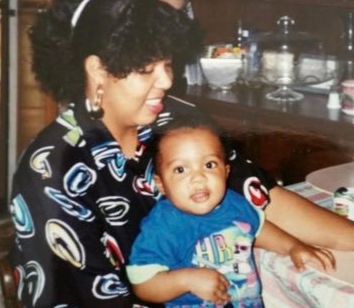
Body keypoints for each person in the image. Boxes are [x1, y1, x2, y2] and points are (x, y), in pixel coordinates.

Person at [9, 0, 354, 308]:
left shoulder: (175, 119)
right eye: (147, 70)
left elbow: (259, 197)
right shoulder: (52, 169)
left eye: (167, 64)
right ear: (97, 70)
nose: (167, 81)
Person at [126, 116, 335, 308]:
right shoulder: (164, 226)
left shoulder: (234, 204)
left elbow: (258, 227)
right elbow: (142, 283)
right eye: (181, 169)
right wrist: (186, 279)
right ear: (160, 184)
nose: (198, 178)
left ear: (226, 172)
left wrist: (292, 246)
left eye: (209, 165)